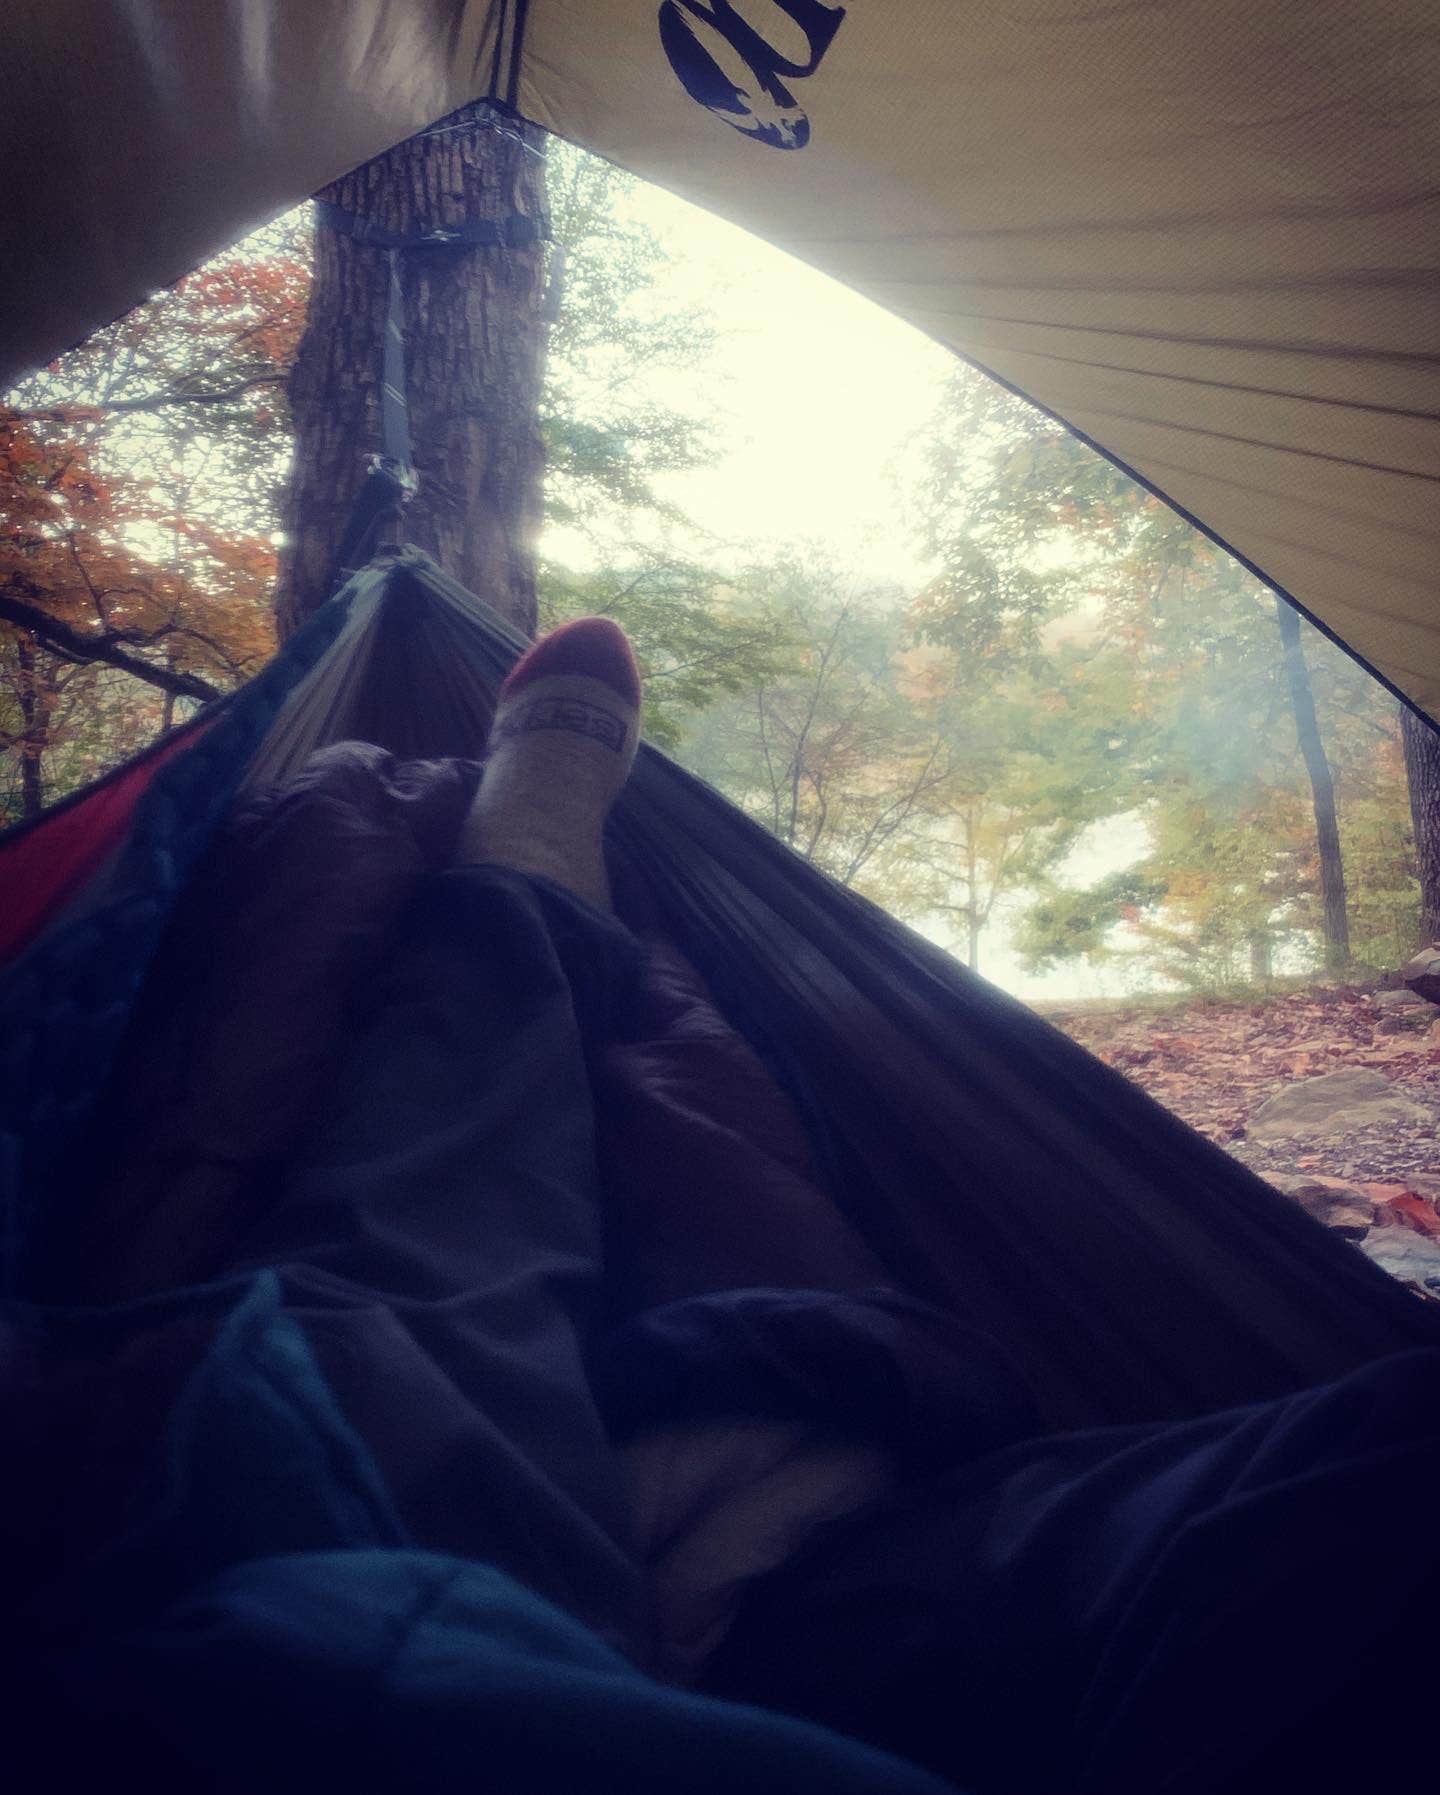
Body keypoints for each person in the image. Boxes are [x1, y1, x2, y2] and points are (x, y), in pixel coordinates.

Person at [12, 619, 1439, 1793]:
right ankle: (533, 892)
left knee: (433, 1220)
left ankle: (527, 893)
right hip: (872, 1637)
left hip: (337, 1597)